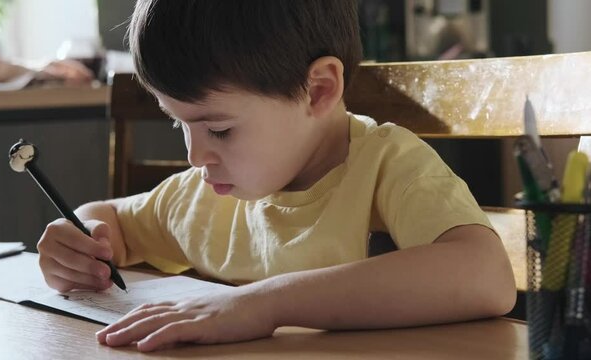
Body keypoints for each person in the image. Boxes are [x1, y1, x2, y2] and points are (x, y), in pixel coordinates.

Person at [37, 0, 516, 352]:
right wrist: (79, 241)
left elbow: (485, 276)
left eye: (219, 129)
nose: (195, 154)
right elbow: (111, 222)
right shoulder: (204, 196)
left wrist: (261, 304)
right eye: (177, 123)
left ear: (319, 89)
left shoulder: (388, 168)